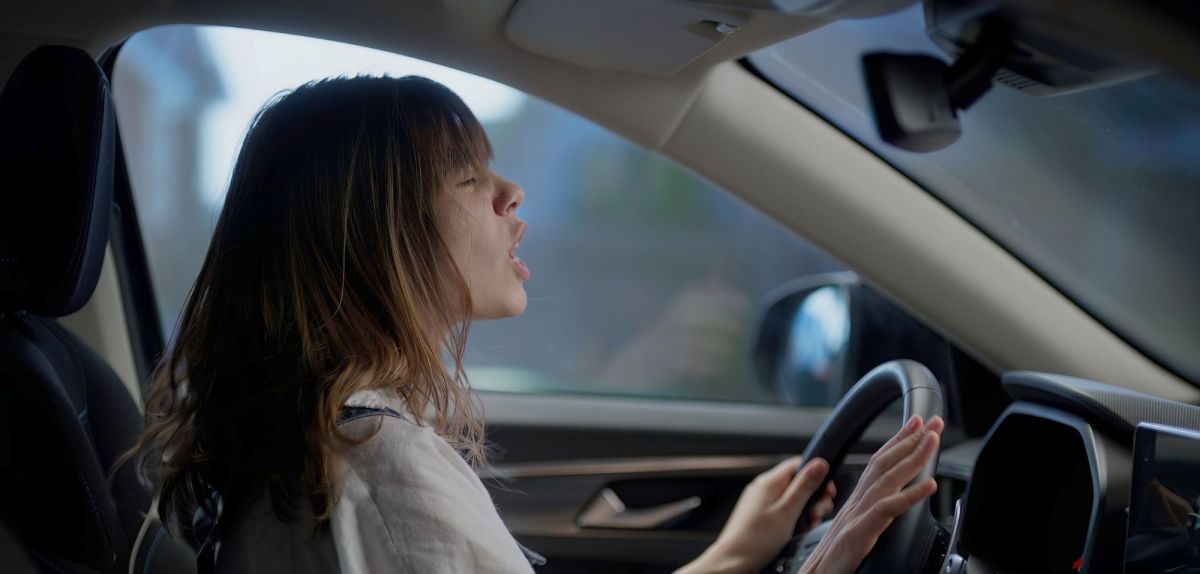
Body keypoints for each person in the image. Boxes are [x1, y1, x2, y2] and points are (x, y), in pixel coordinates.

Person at [122, 75, 942, 574]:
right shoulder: (381, 463)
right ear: (379, 233)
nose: (513, 194)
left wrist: (735, 550)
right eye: (471, 177)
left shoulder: (325, 441)